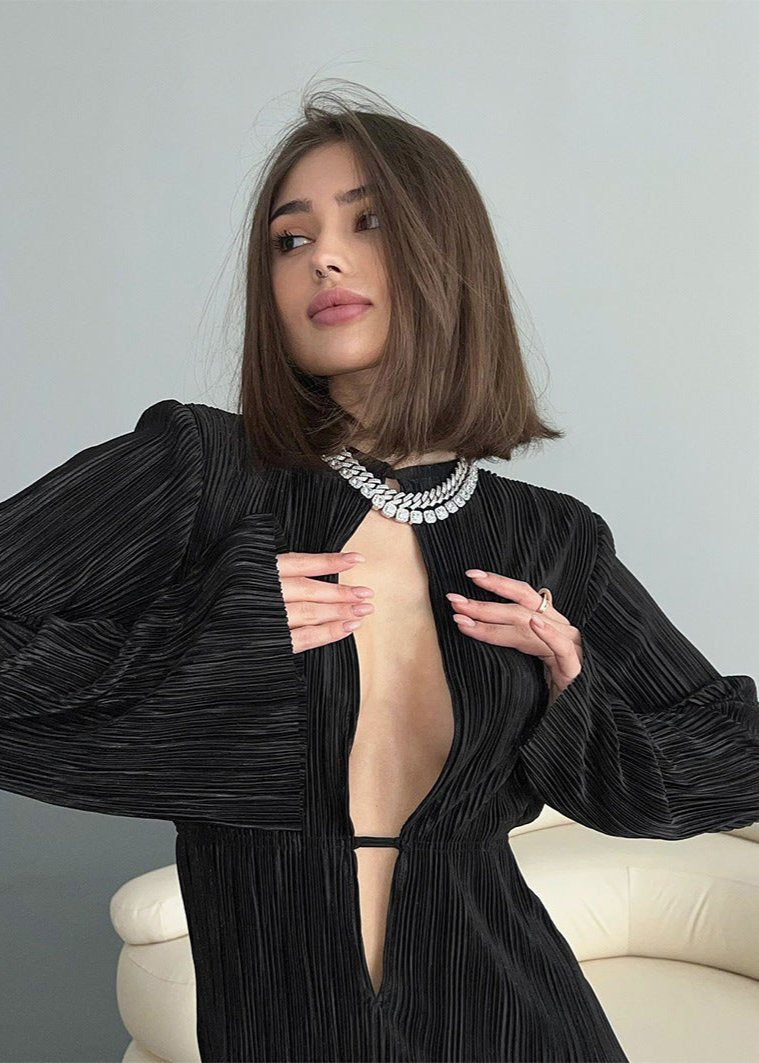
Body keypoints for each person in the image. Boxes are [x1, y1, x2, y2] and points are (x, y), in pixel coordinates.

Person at [2, 85, 758, 1063]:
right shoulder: (201, 473)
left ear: (446, 258)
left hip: (520, 1022)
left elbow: (735, 757)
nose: (323, 256)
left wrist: (575, 699)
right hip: (288, 1025)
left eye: (369, 222)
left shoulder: (546, 537)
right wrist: (205, 637)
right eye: (290, 238)